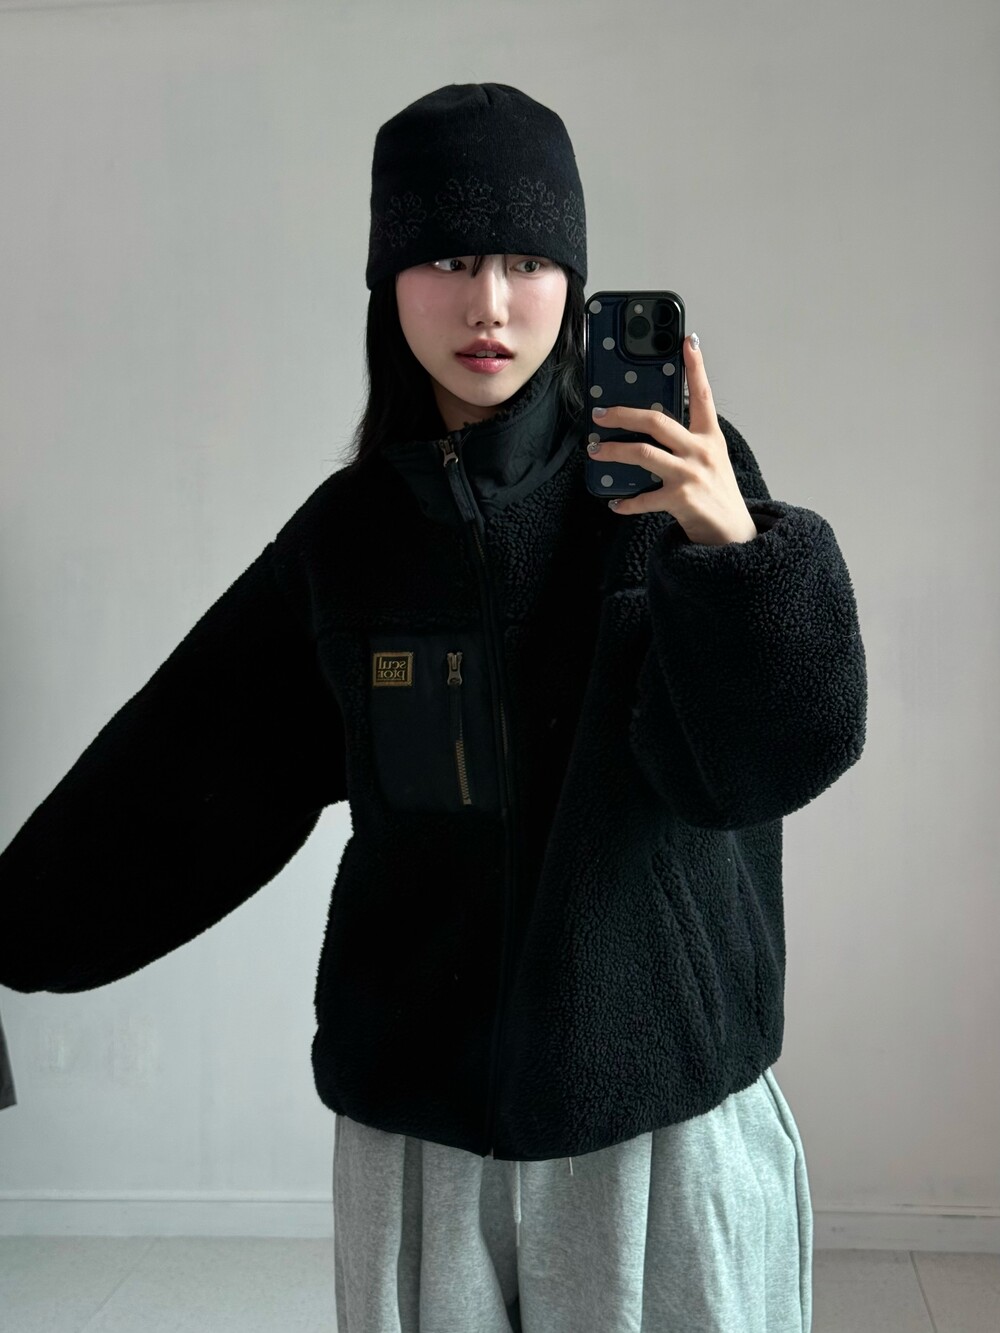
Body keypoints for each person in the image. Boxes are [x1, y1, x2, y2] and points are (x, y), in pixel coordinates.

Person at [0, 83, 868, 1331]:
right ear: (387, 279)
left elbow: (776, 758)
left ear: (574, 282)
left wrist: (736, 554)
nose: (490, 304)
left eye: (527, 261)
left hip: (659, 1126)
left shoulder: (674, 488)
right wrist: (11, 934)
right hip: (424, 1137)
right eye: (451, 259)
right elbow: (184, 779)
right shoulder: (348, 540)